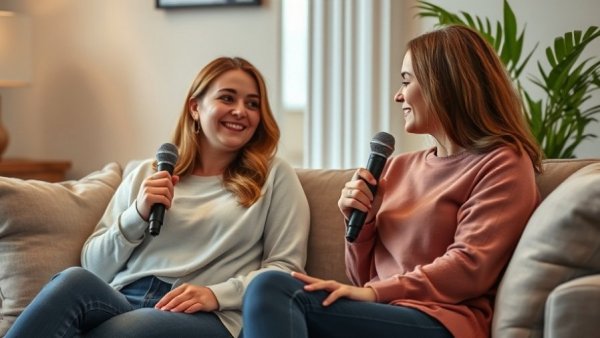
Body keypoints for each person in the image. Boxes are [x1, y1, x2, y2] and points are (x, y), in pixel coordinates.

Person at [241, 25, 543, 338]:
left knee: (272, 288)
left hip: (442, 321)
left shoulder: (502, 162)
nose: (398, 95)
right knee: (267, 300)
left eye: (406, 81)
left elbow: (469, 267)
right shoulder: (397, 167)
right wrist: (363, 225)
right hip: (385, 312)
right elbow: (363, 280)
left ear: (444, 84)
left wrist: (375, 293)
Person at [5, 57, 310, 338]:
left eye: (253, 104)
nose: (240, 111)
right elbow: (93, 267)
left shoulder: (273, 176)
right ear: (195, 107)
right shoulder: (146, 173)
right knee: (72, 281)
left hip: (203, 313)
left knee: (130, 330)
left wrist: (216, 294)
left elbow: (286, 268)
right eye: (227, 97)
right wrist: (136, 214)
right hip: (123, 297)